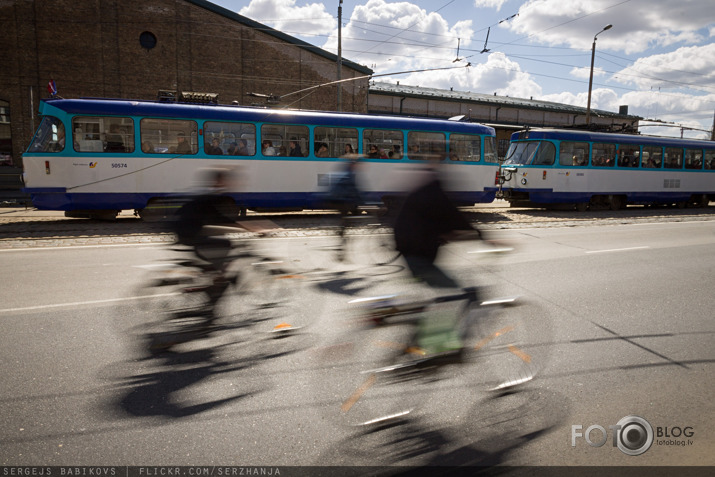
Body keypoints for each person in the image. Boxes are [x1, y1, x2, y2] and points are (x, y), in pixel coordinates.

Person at [393, 163, 481, 354]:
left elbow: (439, 222)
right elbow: (457, 218)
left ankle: (423, 341)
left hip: (410, 252)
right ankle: (437, 346)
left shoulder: (423, 191)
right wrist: (486, 239)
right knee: (454, 295)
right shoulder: (436, 193)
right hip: (417, 256)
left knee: (441, 295)